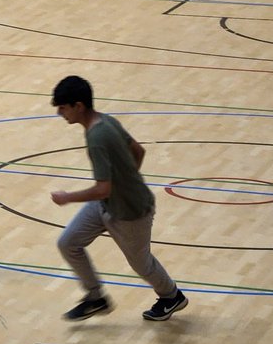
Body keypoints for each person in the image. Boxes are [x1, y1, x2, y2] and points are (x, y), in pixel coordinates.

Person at [49, 75, 187, 322]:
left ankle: (172, 296)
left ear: (78, 106)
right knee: (68, 242)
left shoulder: (97, 139)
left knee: (142, 264)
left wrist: (67, 197)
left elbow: (103, 189)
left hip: (131, 212)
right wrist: (127, 179)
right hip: (107, 205)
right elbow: (139, 151)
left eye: (62, 107)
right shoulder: (106, 121)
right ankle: (96, 298)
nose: (60, 113)